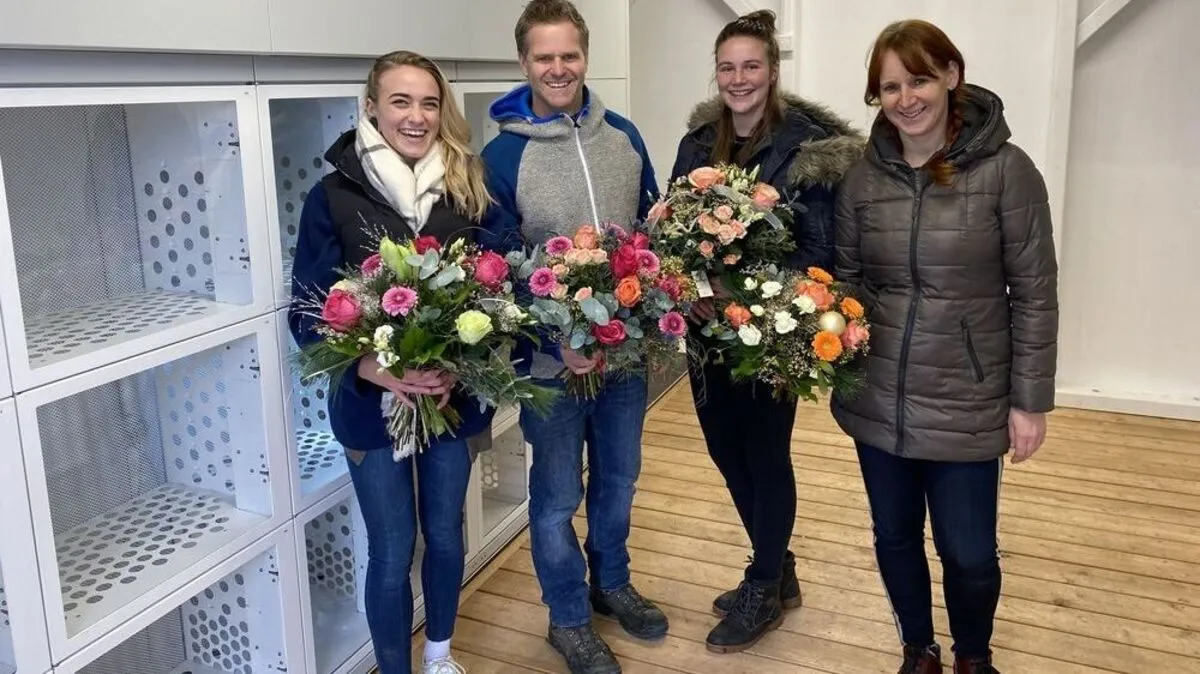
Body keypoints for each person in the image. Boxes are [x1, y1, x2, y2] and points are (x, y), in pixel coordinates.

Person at [831, 19, 1059, 674]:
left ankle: (973, 656)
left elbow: (1035, 294)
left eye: (920, 79)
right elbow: (847, 285)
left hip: (967, 396)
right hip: (877, 399)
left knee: (968, 552)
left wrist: (1029, 401)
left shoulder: (1009, 173)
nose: (907, 98)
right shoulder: (861, 179)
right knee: (894, 536)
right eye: (891, 86)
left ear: (952, 76)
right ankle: (918, 650)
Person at [289, 50, 496, 674]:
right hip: (369, 404)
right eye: (401, 101)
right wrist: (375, 369)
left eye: (429, 103)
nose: (416, 116)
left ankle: (438, 656)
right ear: (372, 107)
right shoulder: (333, 196)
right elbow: (306, 312)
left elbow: (501, 288)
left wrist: (463, 360)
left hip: (450, 397)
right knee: (391, 546)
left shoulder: (467, 186)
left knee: (444, 530)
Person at [477, 1, 664, 672]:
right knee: (556, 498)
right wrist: (559, 341)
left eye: (570, 55)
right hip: (551, 370)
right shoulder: (501, 155)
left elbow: (648, 237)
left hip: (626, 358)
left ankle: (611, 584)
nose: (558, 69)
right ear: (524, 63)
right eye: (543, 57)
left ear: (586, 57)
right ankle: (567, 617)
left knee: (619, 480)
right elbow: (493, 270)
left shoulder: (626, 137)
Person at [670, 9, 865, 654]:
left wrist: (748, 289)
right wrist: (698, 290)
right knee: (725, 452)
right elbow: (671, 230)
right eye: (727, 67)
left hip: (770, 335)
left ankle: (762, 583)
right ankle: (777, 570)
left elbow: (820, 249)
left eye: (751, 65)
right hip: (705, 332)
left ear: (773, 71)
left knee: (764, 453)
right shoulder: (698, 142)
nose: (738, 78)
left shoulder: (807, 150)